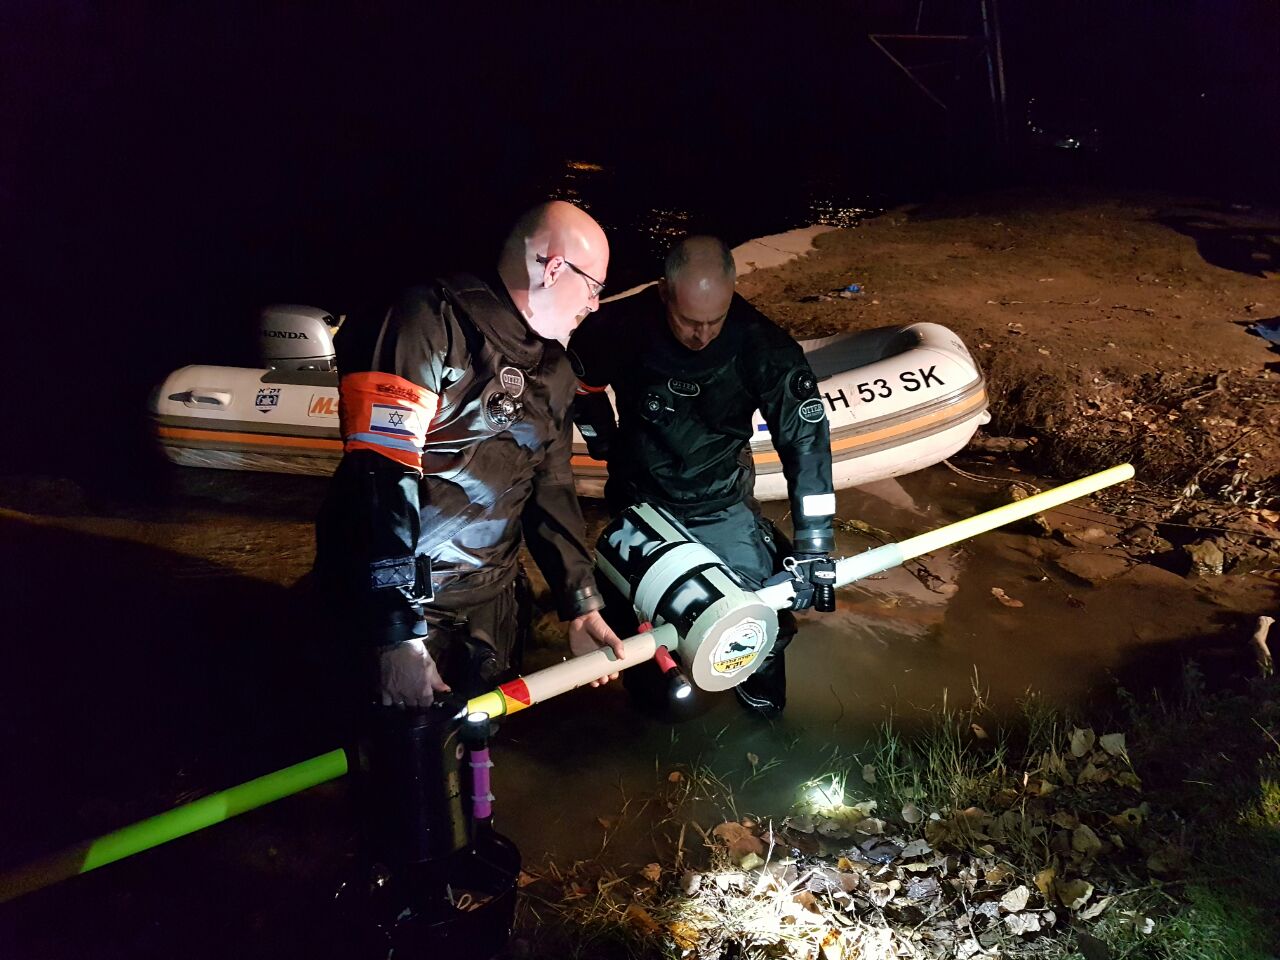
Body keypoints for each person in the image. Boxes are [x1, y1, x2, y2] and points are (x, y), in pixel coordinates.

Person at [316, 200, 625, 713]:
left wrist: (580, 603)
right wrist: (395, 633)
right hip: (408, 609)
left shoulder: (555, 367)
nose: (594, 305)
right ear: (553, 269)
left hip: (491, 600)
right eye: (594, 288)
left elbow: (551, 487)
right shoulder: (424, 321)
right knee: (401, 767)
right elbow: (378, 478)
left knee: (476, 751)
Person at [568, 235, 835, 717]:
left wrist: (815, 542)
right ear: (665, 293)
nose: (702, 335)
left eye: (716, 319)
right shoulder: (619, 327)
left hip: (720, 503)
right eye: (690, 322)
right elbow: (580, 386)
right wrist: (603, 442)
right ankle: (654, 711)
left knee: (760, 619)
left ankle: (762, 705)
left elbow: (806, 444)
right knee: (639, 629)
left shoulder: (764, 347)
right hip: (642, 501)